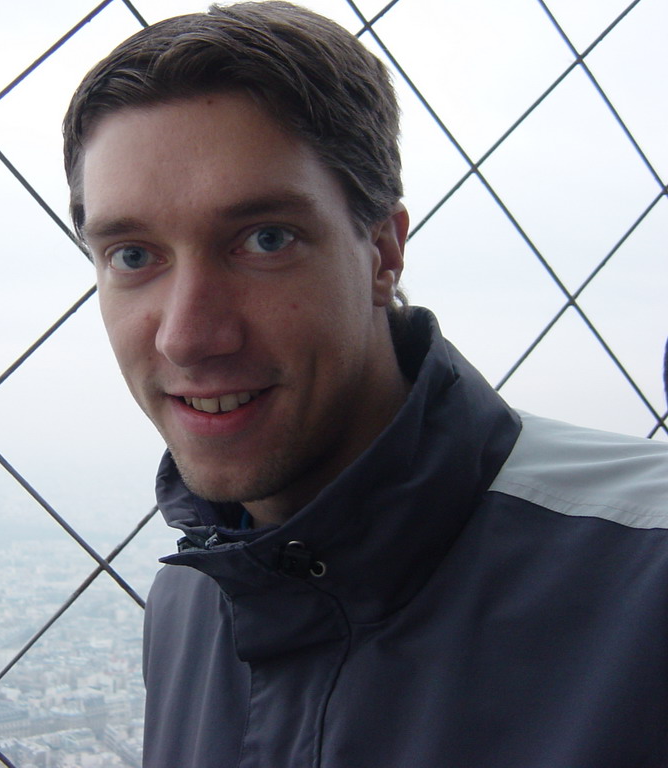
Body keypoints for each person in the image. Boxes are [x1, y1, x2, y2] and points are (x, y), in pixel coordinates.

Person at [61, 3, 668, 766]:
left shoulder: (649, 587)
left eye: (264, 240)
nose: (187, 334)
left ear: (383, 253)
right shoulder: (190, 603)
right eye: (132, 256)